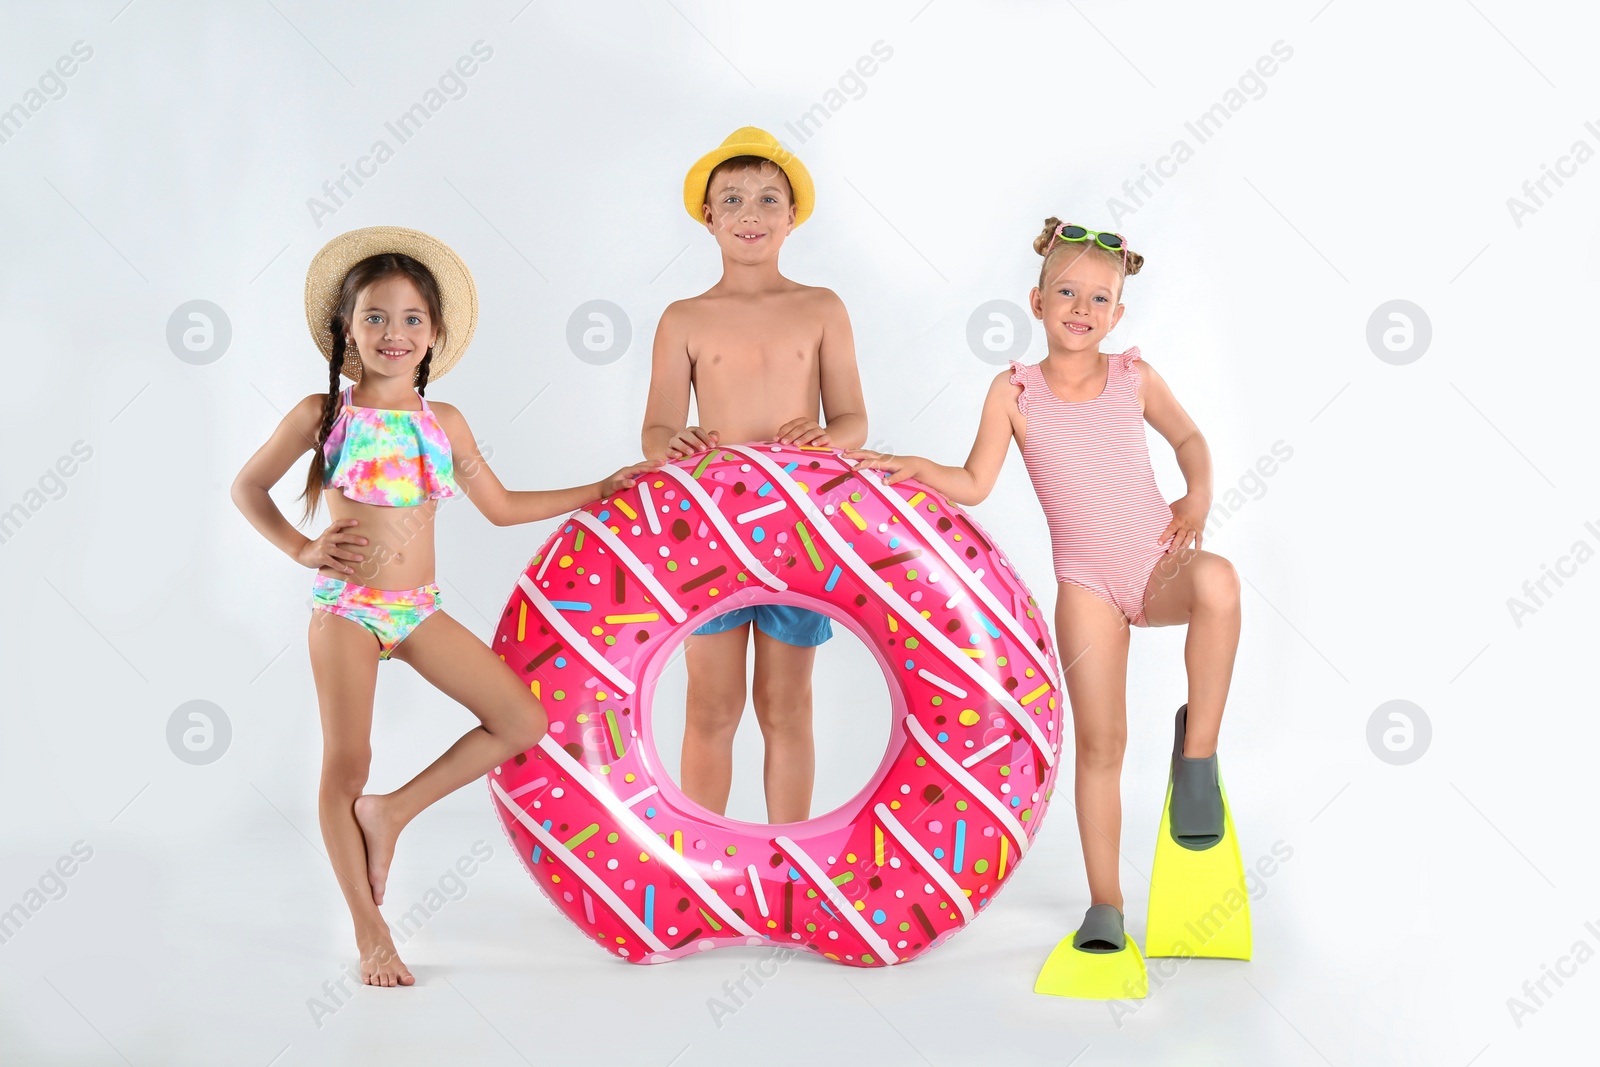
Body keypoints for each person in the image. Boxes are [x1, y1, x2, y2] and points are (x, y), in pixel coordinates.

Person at [232, 227, 651, 985]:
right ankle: (370, 932)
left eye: (412, 319)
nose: (395, 333)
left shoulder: (443, 423)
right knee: (346, 762)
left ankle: (391, 813)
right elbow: (247, 488)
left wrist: (600, 488)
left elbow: (501, 506)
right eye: (376, 317)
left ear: (436, 335)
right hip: (349, 609)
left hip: (416, 611)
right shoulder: (322, 414)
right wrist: (301, 549)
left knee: (522, 719)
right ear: (346, 327)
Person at [847, 220, 1241, 956]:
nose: (1081, 307)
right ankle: (1106, 904)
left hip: (1158, 566)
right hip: (1086, 584)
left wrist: (1197, 498)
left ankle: (1198, 757)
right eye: (1067, 291)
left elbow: (1190, 440)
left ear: (1117, 314)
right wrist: (910, 464)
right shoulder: (1014, 390)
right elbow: (973, 481)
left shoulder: (1134, 377)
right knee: (1101, 743)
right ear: (1037, 301)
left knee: (1219, 579)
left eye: (1099, 297)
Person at [640, 127, 869, 823]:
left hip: (798, 531)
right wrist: (672, 442)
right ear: (706, 216)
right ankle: (700, 859)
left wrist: (829, 438)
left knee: (785, 702)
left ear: (792, 216)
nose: (750, 212)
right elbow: (654, 432)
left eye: (770, 199)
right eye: (732, 198)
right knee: (710, 704)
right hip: (707, 533)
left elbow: (855, 419)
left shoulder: (822, 307)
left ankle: (790, 856)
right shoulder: (683, 318)